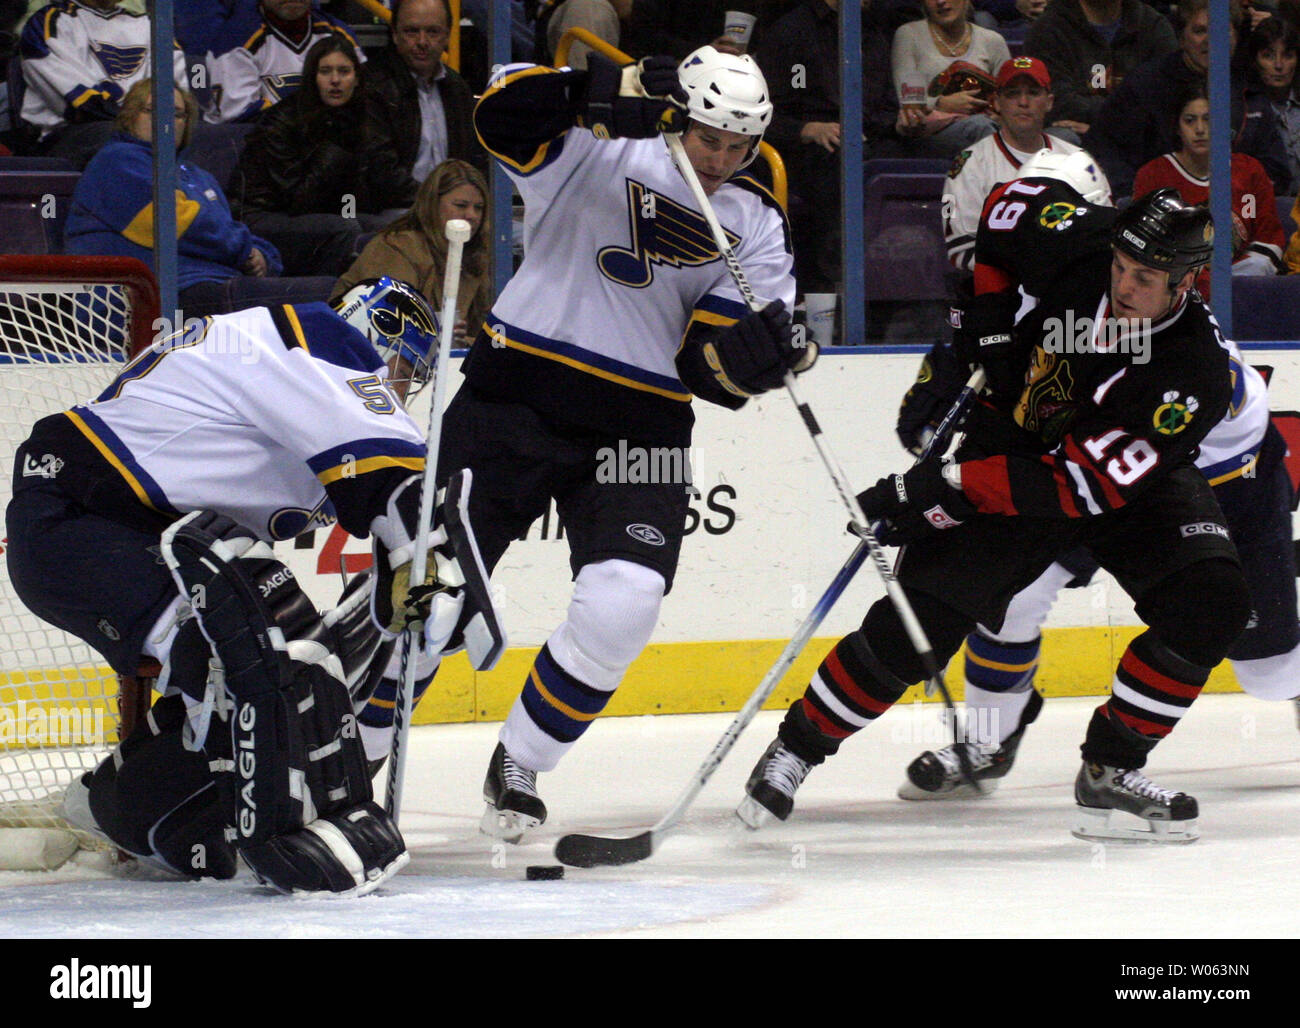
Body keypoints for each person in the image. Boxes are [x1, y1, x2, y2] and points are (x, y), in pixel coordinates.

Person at [356, 45, 813, 843]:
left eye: (740, 147)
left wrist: (753, 361)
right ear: (681, 114)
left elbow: (709, 367)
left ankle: (521, 760)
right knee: (426, 594)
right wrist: (593, 97)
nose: (723, 160)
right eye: (711, 139)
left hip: (643, 422)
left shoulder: (754, 222)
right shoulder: (594, 150)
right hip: (515, 397)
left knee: (624, 606)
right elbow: (499, 113)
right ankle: (342, 765)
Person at [738, 187, 1254, 844]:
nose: (1123, 284)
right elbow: (1006, 208)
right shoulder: (1089, 239)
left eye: (1145, 278)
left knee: (1212, 601)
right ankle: (796, 751)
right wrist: (988, 319)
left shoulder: (1193, 374)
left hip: (1117, 481)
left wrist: (940, 487)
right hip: (1014, 439)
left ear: (1185, 282)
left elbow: (1075, 486)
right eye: (1121, 266)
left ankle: (1111, 769)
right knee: (915, 625)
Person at [5, 277, 502, 893]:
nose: (395, 390)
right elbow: (398, 488)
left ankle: (123, 809)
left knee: (287, 646)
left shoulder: (281, 389)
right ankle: (276, 837)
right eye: (400, 369)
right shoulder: (318, 338)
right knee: (255, 655)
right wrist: (428, 557)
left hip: (119, 533)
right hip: (85, 526)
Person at [893, 153, 1300, 802]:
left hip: (1220, 484)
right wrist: (964, 370)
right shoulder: (1058, 275)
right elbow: (992, 331)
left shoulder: (1148, 316)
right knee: (1013, 596)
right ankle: (988, 740)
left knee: (1273, 671)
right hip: (1096, 474)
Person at [63, 79, 338, 319]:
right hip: (147, 298)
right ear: (130, 116)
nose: (167, 120)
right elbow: (179, 226)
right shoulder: (117, 161)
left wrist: (263, 256)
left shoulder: (198, 176)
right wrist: (246, 251)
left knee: (331, 287)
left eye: (178, 114)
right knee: (322, 295)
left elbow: (227, 229)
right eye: (153, 110)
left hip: (207, 282)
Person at [230, 36, 414, 276]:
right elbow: (298, 199)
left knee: (396, 225)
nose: (335, 80)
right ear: (312, 78)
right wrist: (335, 152)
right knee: (344, 228)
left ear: (357, 79)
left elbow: (374, 184)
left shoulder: (361, 117)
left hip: (322, 212)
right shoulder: (282, 121)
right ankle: (330, 300)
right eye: (325, 71)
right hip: (263, 216)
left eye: (344, 71)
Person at [1085, 0, 1289, 198]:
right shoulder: (1145, 86)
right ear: (1182, 38)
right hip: (1160, 208)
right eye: (1200, 31)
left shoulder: (1249, 88)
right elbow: (1107, 152)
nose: (1211, 39)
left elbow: (1275, 168)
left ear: (1235, 37)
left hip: (1237, 207)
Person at [942, 57, 1111, 272]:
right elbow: (959, 249)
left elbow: (1105, 232)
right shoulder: (971, 164)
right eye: (1012, 93)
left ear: (1049, 101)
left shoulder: (1078, 160)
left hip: (1069, 286)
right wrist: (1033, 265)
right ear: (996, 102)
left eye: (1033, 92)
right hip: (999, 293)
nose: (1023, 102)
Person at [1133, 83, 1285, 291]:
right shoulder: (1153, 176)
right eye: (1190, 120)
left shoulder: (1250, 171)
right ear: (1177, 126)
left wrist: (1233, 285)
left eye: (1208, 119)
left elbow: (1269, 239)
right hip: (1180, 290)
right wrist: (1207, 284)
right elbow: (1146, 247)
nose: (1200, 129)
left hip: (1244, 285)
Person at [332, 158, 492, 346]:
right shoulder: (396, 247)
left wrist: (461, 339)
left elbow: (484, 333)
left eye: (478, 208)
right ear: (432, 204)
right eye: (460, 205)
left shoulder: (476, 257)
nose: (472, 215)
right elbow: (388, 330)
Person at [17, 0, 188, 165]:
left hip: (144, 127)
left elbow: (175, 92)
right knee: (116, 139)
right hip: (70, 135)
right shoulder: (49, 21)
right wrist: (138, 121)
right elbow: (81, 104)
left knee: (205, 135)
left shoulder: (150, 24)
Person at [363, 0, 486, 203]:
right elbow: (381, 174)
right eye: (411, 31)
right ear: (395, 34)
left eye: (433, 32)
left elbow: (475, 161)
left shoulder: (457, 88)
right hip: (396, 211)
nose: (422, 41)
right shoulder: (373, 86)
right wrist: (436, 204)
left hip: (453, 210)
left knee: (514, 233)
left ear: (447, 35)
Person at [1022, 0, 1178, 140]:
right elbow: (1056, 101)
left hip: (1138, 137)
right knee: (1061, 136)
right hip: (1075, 139)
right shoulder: (1048, 29)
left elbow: (1168, 97)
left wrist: (1106, 128)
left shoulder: (1152, 26)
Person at [202, 0, 363, 124]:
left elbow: (364, 98)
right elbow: (239, 115)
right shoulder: (236, 37)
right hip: (251, 148)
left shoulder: (339, 33)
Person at [890, 0, 1009, 159]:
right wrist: (941, 103)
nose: (941, 2)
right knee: (981, 127)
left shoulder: (993, 41)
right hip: (927, 133)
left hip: (986, 124)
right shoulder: (909, 35)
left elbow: (1007, 99)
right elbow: (908, 103)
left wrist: (998, 113)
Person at [1248, 14, 1300, 194]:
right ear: (1255, 61)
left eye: (1288, 55)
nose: (1279, 65)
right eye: (1268, 56)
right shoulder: (1246, 112)